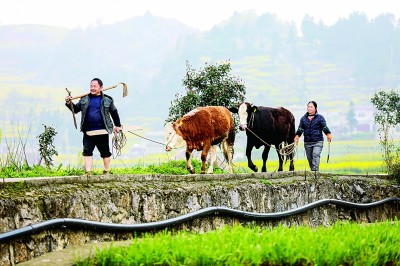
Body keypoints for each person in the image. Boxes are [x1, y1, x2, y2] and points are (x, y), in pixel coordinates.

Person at [65, 78, 122, 175]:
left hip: (103, 130)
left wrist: (118, 125)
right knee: (87, 151)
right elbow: (76, 110)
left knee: (105, 152)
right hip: (88, 131)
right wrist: (69, 103)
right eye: (91, 86)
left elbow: (114, 112)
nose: (92, 88)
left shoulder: (107, 100)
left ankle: (107, 171)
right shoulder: (84, 99)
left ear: (101, 87)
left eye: (95, 86)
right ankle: (88, 172)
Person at [294, 101, 332, 172]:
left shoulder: (320, 118)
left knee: (315, 155)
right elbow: (300, 129)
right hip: (307, 142)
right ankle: (313, 171)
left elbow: (324, 127)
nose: (309, 108)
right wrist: (297, 136)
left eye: (311, 107)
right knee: (310, 158)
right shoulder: (303, 119)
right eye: (308, 107)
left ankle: (315, 172)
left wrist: (328, 134)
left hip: (318, 141)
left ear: (315, 108)